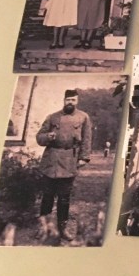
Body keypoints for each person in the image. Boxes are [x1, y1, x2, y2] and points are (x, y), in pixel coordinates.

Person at [36, 89, 92, 241]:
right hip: (51, 160)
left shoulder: (83, 117)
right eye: (68, 100)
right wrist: (47, 136)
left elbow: (87, 139)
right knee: (47, 196)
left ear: (77, 101)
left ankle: (62, 230)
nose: (70, 103)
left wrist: (84, 157)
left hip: (69, 160)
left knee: (64, 198)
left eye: (73, 100)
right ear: (64, 100)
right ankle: (44, 228)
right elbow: (39, 138)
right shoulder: (52, 117)